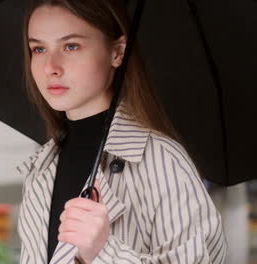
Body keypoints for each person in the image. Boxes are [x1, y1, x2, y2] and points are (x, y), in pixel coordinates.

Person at [15, 0, 228, 263]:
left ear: (117, 52)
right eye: (38, 49)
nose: (51, 67)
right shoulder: (41, 170)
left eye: (71, 46)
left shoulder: (160, 160)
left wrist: (103, 251)